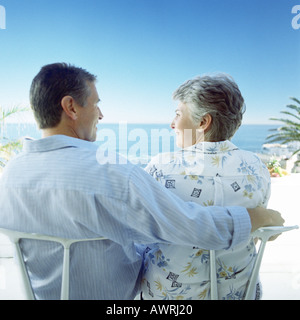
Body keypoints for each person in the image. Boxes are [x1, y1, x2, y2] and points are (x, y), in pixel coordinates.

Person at [0, 64, 283, 300]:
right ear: (70, 107)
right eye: (97, 104)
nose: (100, 114)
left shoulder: (9, 174)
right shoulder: (111, 171)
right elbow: (188, 225)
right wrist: (253, 217)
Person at [141, 74, 271, 300]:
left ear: (203, 122)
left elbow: (141, 231)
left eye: (178, 114)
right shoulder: (256, 166)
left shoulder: (161, 166)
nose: (172, 124)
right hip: (239, 294)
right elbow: (255, 231)